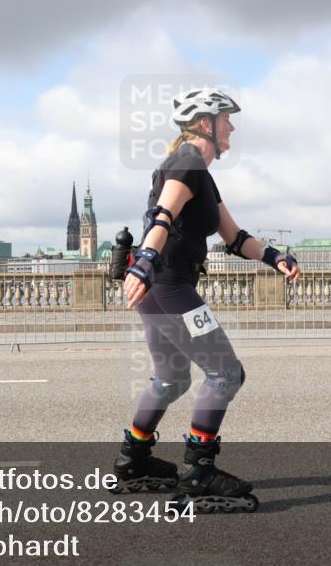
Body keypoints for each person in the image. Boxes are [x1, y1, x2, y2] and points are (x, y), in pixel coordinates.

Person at [110, 88, 300, 513]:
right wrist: (145, 259)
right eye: (226, 118)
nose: (232, 126)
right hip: (172, 289)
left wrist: (275, 257)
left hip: (158, 291)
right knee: (226, 373)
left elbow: (234, 238)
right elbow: (164, 213)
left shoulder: (201, 173)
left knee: (171, 379)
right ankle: (199, 471)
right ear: (204, 124)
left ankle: (132, 460)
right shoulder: (187, 162)